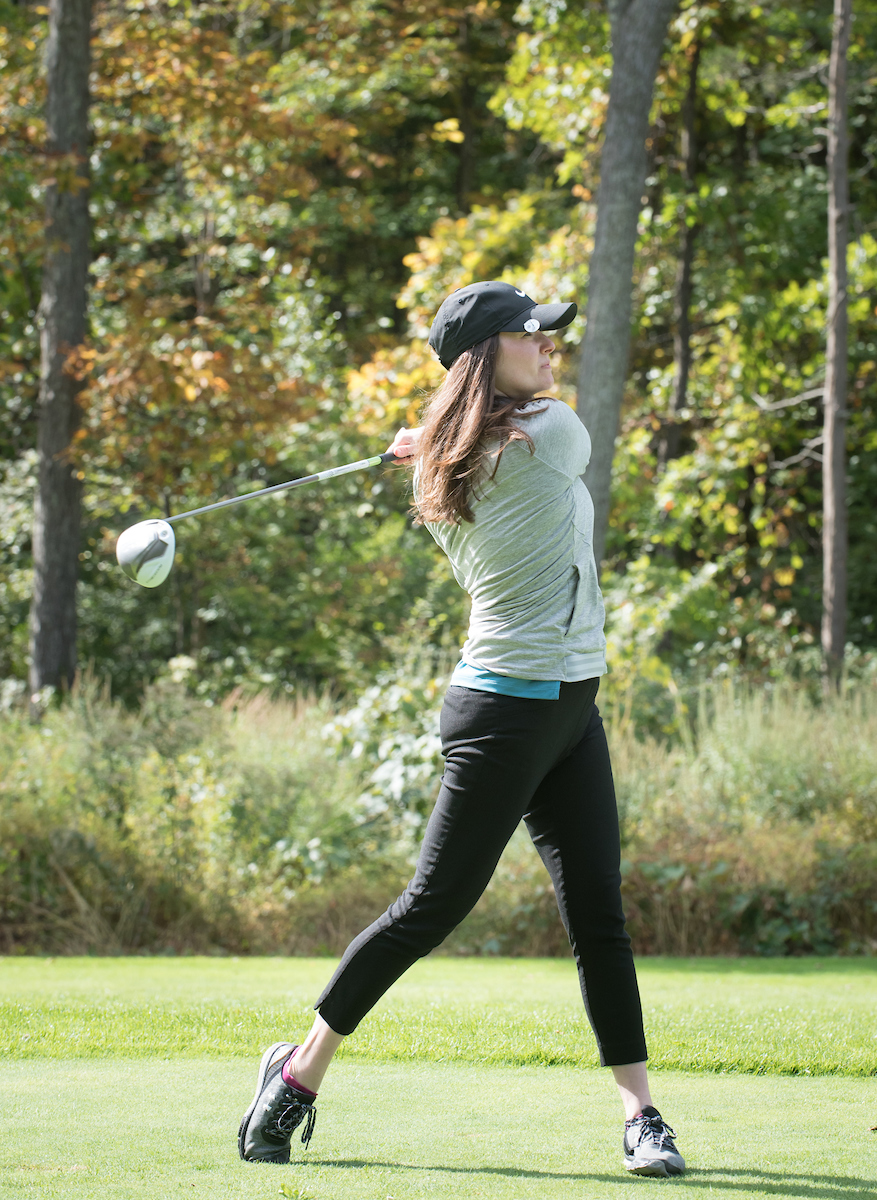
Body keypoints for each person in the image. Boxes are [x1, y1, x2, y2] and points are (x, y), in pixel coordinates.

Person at [238, 280, 685, 1178]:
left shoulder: (441, 460)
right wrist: (445, 434)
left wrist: (434, 436)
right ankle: (295, 1074)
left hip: (570, 705)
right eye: (532, 334)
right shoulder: (548, 438)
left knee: (598, 912)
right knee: (430, 907)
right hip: (504, 713)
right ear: (485, 355)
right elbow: (541, 430)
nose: (551, 346)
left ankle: (641, 1115)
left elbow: (469, 437)